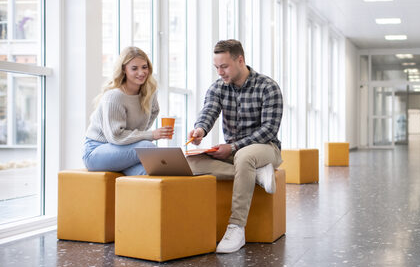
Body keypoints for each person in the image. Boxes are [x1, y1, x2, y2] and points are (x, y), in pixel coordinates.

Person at [187, 39, 283, 254]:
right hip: (234, 153)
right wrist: (200, 130)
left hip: (265, 148)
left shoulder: (268, 87)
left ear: (240, 60)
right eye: (216, 67)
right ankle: (255, 175)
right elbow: (209, 111)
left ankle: (237, 228)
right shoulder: (218, 88)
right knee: (190, 161)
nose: (220, 72)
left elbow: (269, 129)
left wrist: (234, 147)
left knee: (246, 156)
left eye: (224, 66)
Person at [82, 47, 173, 175]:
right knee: (147, 148)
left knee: (149, 172)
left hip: (123, 149)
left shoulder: (149, 94)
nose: (141, 72)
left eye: (144, 67)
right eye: (134, 68)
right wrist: (151, 135)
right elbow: (116, 136)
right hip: (96, 150)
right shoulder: (114, 96)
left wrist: (139, 137)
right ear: (124, 70)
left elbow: (152, 114)